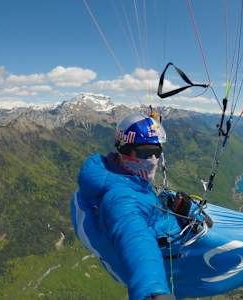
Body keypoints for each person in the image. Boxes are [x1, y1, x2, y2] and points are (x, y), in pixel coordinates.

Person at [71, 112, 180, 300]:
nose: (154, 159)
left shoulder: (124, 174)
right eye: (146, 153)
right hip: (162, 258)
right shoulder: (121, 200)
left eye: (157, 152)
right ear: (125, 152)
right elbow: (137, 240)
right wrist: (152, 293)